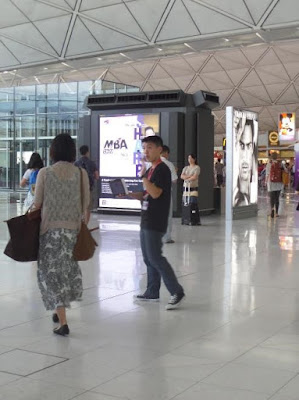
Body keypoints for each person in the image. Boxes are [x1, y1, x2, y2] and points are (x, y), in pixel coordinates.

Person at [34, 134, 90, 336]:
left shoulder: (45, 173)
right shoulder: (81, 173)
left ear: (53, 151)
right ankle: (60, 311)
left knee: (52, 274)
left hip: (49, 231)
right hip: (72, 231)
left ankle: (63, 323)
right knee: (65, 270)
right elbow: (86, 205)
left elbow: (37, 203)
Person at [130, 136, 185, 310]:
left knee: (155, 257)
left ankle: (176, 291)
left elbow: (155, 193)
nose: (146, 151)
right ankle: (152, 291)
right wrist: (131, 194)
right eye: (144, 147)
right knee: (148, 258)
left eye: (150, 147)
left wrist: (142, 177)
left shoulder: (162, 169)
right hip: (146, 217)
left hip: (156, 219)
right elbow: (148, 194)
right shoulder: (151, 170)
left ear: (159, 150)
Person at [75, 145, 99, 225]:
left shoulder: (76, 163)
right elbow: (97, 176)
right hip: (89, 188)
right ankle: (85, 225)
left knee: (78, 206)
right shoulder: (91, 163)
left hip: (78, 188)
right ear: (87, 152)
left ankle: (78, 223)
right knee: (87, 207)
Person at [233, 120, 255, 207]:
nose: (245, 156)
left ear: (252, 148)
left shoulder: (252, 197)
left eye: (248, 146)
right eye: (242, 146)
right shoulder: (234, 197)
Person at [161, 145, 178, 244]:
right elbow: (174, 180)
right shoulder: (169, 164)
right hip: (165, 194)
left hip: (153, 192)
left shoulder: (151, 164)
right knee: (167, 215)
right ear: (166, 153)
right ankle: (167, 237)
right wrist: (175, 171)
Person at [266, 153, 284, 218]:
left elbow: (267, 174)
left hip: (271, 183)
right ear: (277, 157)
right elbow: (286, 171)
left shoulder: (269, 164)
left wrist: (266, 182)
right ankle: (276, 213)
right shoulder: (280, 164)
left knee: (272, 198)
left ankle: (272, 210)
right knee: (277, 198)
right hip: (279, 183)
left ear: (271, 157)